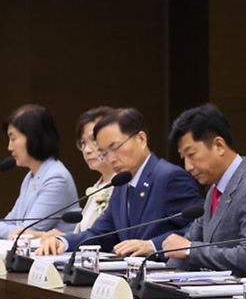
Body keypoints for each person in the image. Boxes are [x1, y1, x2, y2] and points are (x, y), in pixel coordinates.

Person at [38, 107, 203, 256]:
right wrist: (64, 242)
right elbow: (101, 234)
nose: (111, 159)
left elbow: (199, 228)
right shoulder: (122, 184)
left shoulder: (169, 177)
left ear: (141, 139)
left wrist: (153, 246)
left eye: (115, 148)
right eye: (104, 153)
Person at [161, 103, 246, 277]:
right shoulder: (214, 190)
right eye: (183, 158)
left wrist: (190, 250)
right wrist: (161, 278)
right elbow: (187, 243)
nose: (187, 166)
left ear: (219, 145)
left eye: (191, 155)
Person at [1, 104, 78, 238]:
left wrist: (10, 230)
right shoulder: (31, 176)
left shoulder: (56, 178)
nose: (9, 147)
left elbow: (26, 232)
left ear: (33, 137)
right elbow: (11, 221)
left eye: (13, 139)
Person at [72, 106, 116, 232]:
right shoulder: (97, 187)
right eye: (83, 143)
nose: (87, 150)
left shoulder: (124, 185)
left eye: (94, 140)